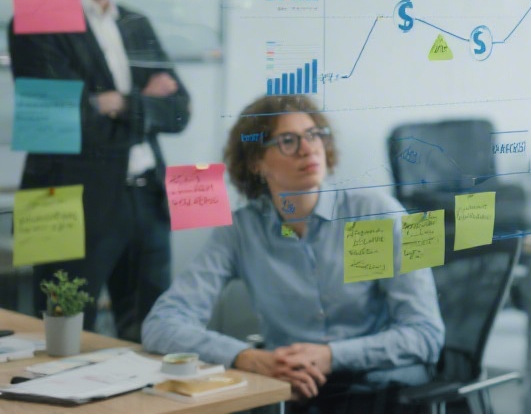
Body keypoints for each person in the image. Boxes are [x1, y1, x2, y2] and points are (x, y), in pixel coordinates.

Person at [142, 94, 445, 411]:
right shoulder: (241, 230)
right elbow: (162, 324)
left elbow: (425, 334)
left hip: (381, 385)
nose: (308, 148)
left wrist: (331, 356)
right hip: (296, 386)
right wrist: (246, 357)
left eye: (314, 135)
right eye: (288, 140)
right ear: (256, 163)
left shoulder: (379, 213)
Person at [8, 0, 190, 341]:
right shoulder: (35, 22)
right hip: (66, 199)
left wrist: (118, 103)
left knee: (153, 336)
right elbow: (65, 123)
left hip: (146, 201)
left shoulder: (136, 23)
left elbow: (181, 109)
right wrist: (143, 105)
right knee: (60, 340)